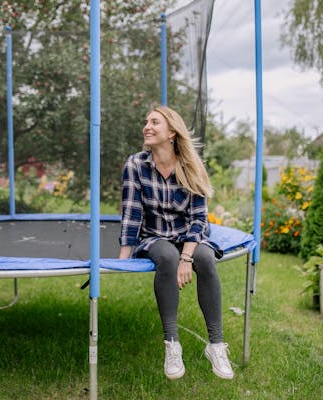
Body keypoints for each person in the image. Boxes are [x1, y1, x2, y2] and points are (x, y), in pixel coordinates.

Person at [118, 104, 234, 380]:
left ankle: (216, 345)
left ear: (171, 132)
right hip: (154, 236)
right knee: (167, 257)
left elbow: (198, 218)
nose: (147, 127)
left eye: (154, 122)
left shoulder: (191, 165)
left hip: (188, 235)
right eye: (146, 122)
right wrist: (122, 259)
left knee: (205, 258)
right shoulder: (136, 165)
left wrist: (187, 257)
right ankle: (172, 344)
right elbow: (131, 213)